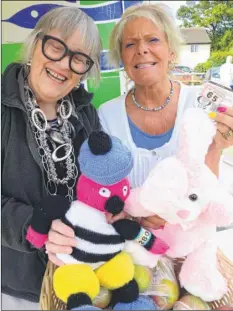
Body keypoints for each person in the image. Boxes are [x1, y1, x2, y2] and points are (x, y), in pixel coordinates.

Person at [98, 3, 233, 230]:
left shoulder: (200, 104)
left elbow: (209, 189)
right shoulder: (106, 115)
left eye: (153, 40)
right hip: (133, 248)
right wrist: (133, 216)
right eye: (130, 44)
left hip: (189, 246)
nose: (141, 49)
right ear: (122, 57)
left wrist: (216, 147)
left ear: (171, 51)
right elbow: (105, 190)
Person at [1, 7, 102, 310]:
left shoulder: (85, 114)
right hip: (15, 289)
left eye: (79, 58)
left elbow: (100, 181)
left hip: (81, 278)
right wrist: (34, 225)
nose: (64, 64)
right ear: (35, 44)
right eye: (56, 46)